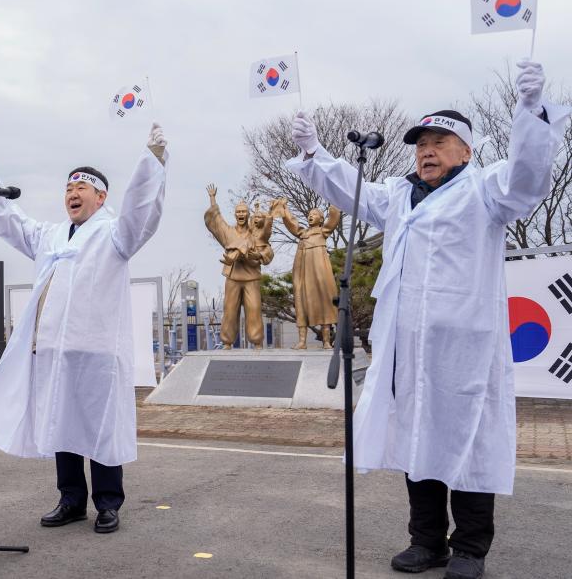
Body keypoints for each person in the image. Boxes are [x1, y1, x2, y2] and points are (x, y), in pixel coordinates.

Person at [285, 60, 569, 579]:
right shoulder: (398, 194)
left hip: (466, 348)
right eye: (420, 144)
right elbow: (350, 187)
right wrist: (313, 151)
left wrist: (530, 114)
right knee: (418, 439)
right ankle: (427, 542)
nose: (427, 151)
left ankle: (470, 550)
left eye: (439, 141)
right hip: (409, 346)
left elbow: (530, 177)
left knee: (469, 441)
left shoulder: (486, 188)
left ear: (465, 150)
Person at [0, 123, 169, 534]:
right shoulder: (53, 236)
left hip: (97, 352)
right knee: (62, 423)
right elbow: (16, 224)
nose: (72, 195)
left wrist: (153, 164)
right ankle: (71, 499)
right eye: (68, 189)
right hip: (54, 349)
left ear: (101, 196)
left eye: (81, 189)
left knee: (100, 425)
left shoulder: (114, 234)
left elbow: (140, 215)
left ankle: (108, 503)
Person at [204, 188, 274, 349]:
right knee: (229, 310)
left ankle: (257, 342)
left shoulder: (256, 233)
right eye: (239, 212)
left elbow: (267, 250)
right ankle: (227, 342)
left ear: (248, 214)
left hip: (252, 278)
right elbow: (217, 221)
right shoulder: (229, 232)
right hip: (233, 277)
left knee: (254, 309)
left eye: (244, 212)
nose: (241, 214)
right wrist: (213, 199)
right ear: (235, 215)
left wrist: (259, 255)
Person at [273, 198, 340, 349]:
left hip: (319, 272)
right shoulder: (302, 233)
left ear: (321, 219)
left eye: (315, 214)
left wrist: (334, 198)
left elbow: (334, 218)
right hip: (302, 271)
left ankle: (326, 341)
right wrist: (284, 209)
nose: (311, 216)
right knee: (300, 301)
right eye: (309, 214)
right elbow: (292, 223)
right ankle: (302, 341)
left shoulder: (323, 232)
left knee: (325, 300)